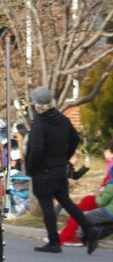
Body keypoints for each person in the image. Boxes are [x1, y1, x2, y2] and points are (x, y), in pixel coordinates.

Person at [24, 86, 98, 253]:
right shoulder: (63, 119)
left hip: (42, 172)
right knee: (66, 202)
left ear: (37, 105)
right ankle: (90, 229)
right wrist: (64, 157)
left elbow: (36, 150)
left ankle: (54, 242)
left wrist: (30, 168)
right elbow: (75, 138)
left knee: (47, 205)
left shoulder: (39, 123)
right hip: (58, 169)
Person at [60, 142, 111, 246]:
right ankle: (68, 235)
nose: (104, 153)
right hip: (104, 196)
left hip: (105, 200)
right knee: (79, 207)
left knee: (81, 210)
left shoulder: (111, 165)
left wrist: (100, 193)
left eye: (106, 150)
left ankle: (72, 236)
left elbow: (107, 187)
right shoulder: (110, 164)